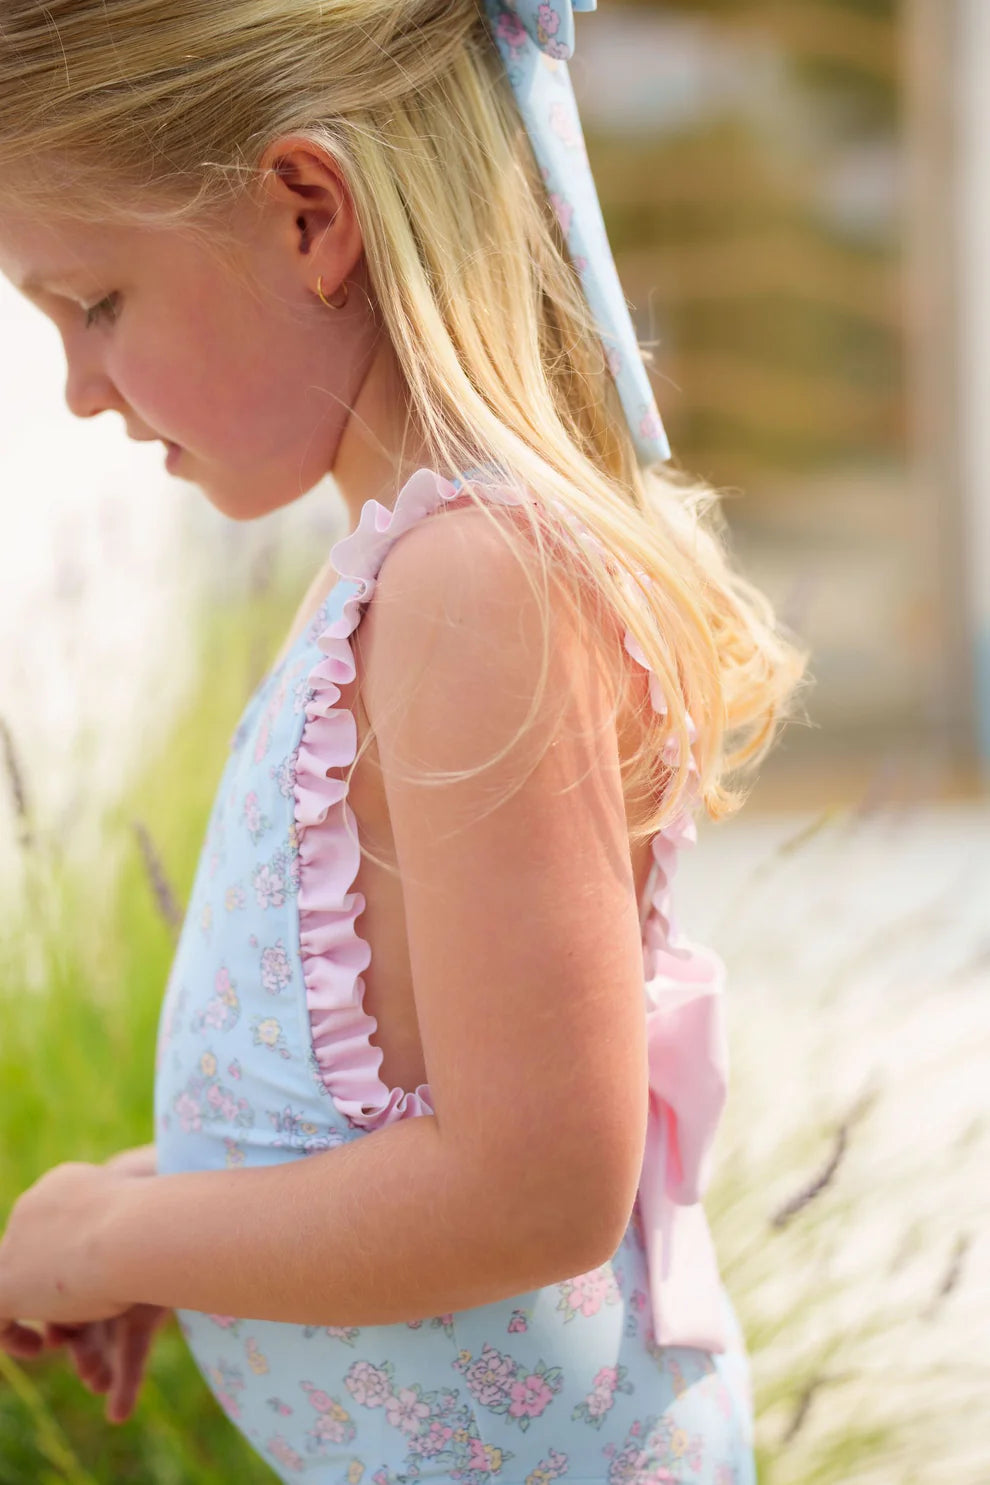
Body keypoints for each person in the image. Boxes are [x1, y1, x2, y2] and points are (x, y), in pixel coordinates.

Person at [0, 1, 806, 1480]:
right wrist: (167, 1234)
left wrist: (116, 1231)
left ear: (311, 213)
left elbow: (531, 1184)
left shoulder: (474, 580)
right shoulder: (404, 574)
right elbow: (407, 1108)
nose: (78, 389)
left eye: (94, 302)